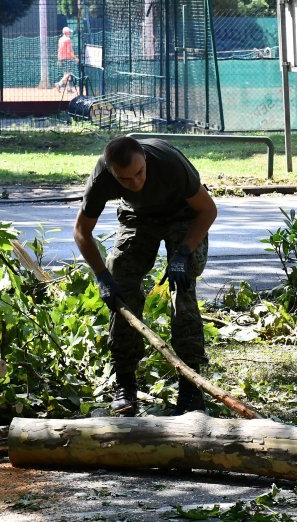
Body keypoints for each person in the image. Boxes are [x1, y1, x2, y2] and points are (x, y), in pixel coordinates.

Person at [73, 136, 218, 416]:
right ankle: (124, 382)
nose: (135, 182)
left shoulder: (169, 163)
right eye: (125, 180)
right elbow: (81, 231)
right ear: (112, 171)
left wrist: (182, 254)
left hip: (183, 215)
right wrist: (102, 276)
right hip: (138, 217)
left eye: (139, 173)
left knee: (182, 284)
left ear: (146, 160)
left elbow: (207, 210)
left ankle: (190, 386)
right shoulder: (101, 177)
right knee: (120, 284)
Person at [56, 26, 79, 92]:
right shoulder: (68, 40)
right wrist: (75, 58)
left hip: (61, 58)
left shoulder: (60, 39)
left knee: (65, 74)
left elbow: (59, 49)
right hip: (67, 58)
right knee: (69, 73)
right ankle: (59, 84)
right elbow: (69, 51)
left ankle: (69, 88)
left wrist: (59, 59)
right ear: (66, 32)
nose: (70, 33)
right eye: (69, 32)